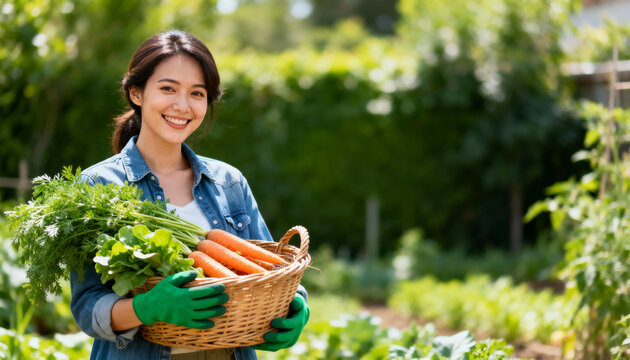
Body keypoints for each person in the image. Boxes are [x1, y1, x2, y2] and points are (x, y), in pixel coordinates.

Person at [70, 29, 309, 360]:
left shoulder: (229, 182)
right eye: (168, 88)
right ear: (136, 93)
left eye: (197, 93)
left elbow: (274, 272)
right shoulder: (98, 187)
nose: (182, 106)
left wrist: (297, 305)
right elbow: (86, 306)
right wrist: (145, 308)